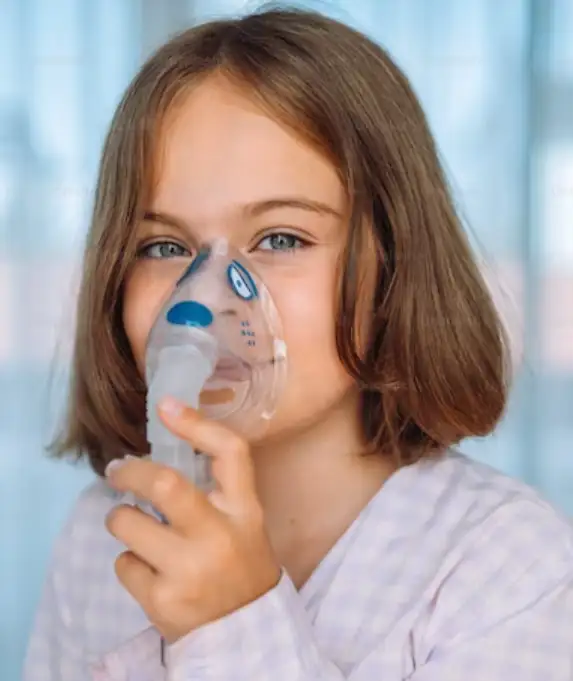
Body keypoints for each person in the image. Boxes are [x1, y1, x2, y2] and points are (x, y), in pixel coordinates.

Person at [23, 7, 573, 681]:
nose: (202, 302)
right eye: (165, 246)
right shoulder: (104, 540)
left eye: (281, 238)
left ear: (394, 266)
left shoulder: (503, 566)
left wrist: (230, 624)